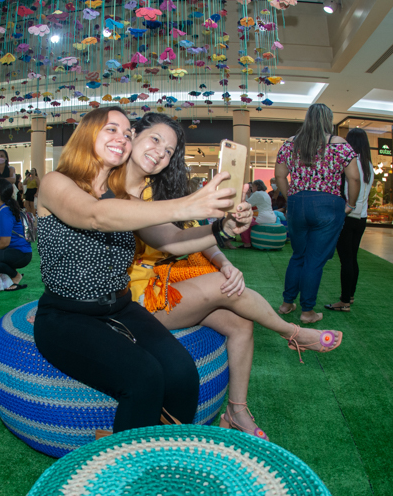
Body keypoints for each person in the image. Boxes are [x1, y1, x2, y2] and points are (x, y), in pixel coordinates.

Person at [124, 113, 342, 440]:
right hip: (133, 299)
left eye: (169, 150)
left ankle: (236, 411)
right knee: (220, 287)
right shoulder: (120, 193)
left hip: (167, 279)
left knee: (240, 321)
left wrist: (225, 260)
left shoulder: (157, 190)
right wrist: (215, 224)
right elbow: (168, 239)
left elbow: (187, 236)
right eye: (155, 139)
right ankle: (294, 333)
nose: (161, 152)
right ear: (132, 135)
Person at [33, 106, 245, 433]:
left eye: (127, 133)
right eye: (111, 129)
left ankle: (166, 453)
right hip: (66, 316)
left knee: (183, 373)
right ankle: (128, 470)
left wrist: (222, 228)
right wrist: (189, 204)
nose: (122, 137)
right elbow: (94, 215)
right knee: (144, 377)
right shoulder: (54, 183)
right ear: (88, 132)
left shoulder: (127, 201)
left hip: (120, 307)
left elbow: (173, 241)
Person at [275, 103, 361, 324]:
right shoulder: (340, 145)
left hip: (297, 203)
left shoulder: (289, 144)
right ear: (328, 120)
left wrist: (291, 197)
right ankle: (307, 311)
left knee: (298, 255)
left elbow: (280, 177)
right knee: (314, 260)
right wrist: (350, 204)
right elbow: (354, 178)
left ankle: (286, 303)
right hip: (328, 204)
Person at [325, 127, 375, 310]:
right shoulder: (368, 164)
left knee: (346, 259)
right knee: (352, 258)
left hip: (348, 215)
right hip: (361, 218)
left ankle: (344, 301)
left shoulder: (352, 162)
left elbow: (349, 190)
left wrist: (344, 210)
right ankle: (350, 295)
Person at [237, 180, 276, 248]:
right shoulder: (265, 193)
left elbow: (246, 204)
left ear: (256, 186)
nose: (252, 189)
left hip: (263, 218)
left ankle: (247, 243)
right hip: (272, 217)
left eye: (252, 187)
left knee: (243, 222)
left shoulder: (257, 193)